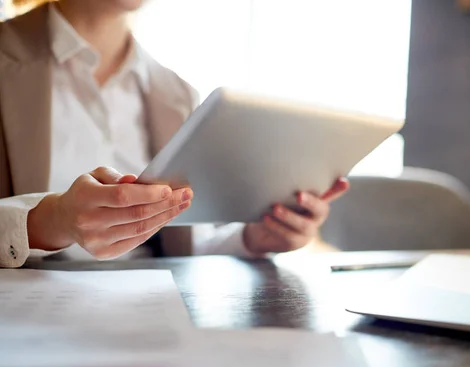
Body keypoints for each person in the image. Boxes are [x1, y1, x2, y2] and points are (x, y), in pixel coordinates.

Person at [0, 0, 349, 268]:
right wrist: (49, 221)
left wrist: (255, 238)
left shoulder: (175, 94)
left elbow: (182, 243)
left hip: (149, 319)